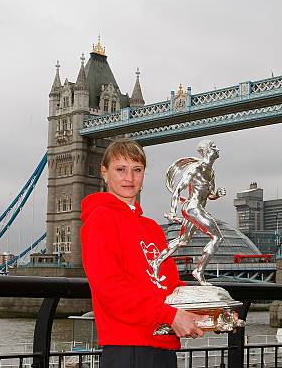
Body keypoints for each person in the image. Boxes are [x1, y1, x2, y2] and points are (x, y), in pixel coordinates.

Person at [80, 139, 206, 368]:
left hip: (163, 345)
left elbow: (170, 287)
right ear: (104, 173)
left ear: (144, 175)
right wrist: (170, 317)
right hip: (127, 349)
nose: (129, 178)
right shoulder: (99, 219)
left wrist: (212, 310)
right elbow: (110, 290)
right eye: (121, 169)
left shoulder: (152, 228)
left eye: (137, 170)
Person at [150, 140, 225, 286]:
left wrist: (218, 194)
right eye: (214, 147)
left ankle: (156, 262)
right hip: (192, 208)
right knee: (217, 237)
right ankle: (199, 271)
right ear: (207, 151)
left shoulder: (212, 172)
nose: (218, 149)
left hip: (199, 208)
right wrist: (172, 211)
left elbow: (209, 195)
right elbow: (178, 189)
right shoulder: (194, 169)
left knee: (183, 240)